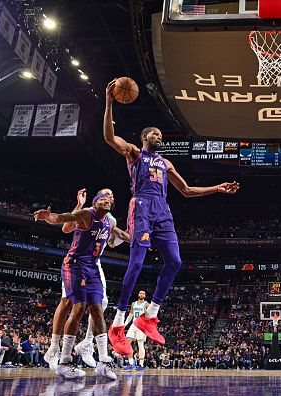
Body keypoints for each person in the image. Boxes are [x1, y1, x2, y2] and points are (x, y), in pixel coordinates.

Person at [102, 78, 240, 355]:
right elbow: (108, 138)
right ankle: (117, 325)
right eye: (155, 135)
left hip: (162, 209)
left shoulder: (166, 163)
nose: (159, 138)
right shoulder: (134, 154)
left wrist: (216, 188)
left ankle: (149, 316)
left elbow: (186, 190)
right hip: (141, 205)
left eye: (161, 137)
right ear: (144, 137)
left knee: (175, 261)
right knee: (138, 262)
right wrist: (108, 102)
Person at [34, 192, 119, 380]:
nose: (108, 198)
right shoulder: (87, 213)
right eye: (104, 197)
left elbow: (118, 237)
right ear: (95, 202)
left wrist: (143, 239)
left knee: (99, 305)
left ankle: (100, 357)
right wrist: (51, 216)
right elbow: (66, 223)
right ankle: (58, 351)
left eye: (110, 197)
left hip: (94, 265)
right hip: (76, 263)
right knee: (71, 304)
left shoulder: (111, 220)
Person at [123, 290, 149, 371]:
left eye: (143, 293)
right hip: (133, 325)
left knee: (140, 344)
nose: (141, 294)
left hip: (142, 326)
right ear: (138, 294)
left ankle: (141, 365)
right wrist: (124, 324)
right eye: (140, 293)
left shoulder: (147, 304)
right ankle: (131, 363)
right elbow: (130, 315)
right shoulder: (133, 304)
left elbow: (150, 316)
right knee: (127, 343)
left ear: (145, 296)